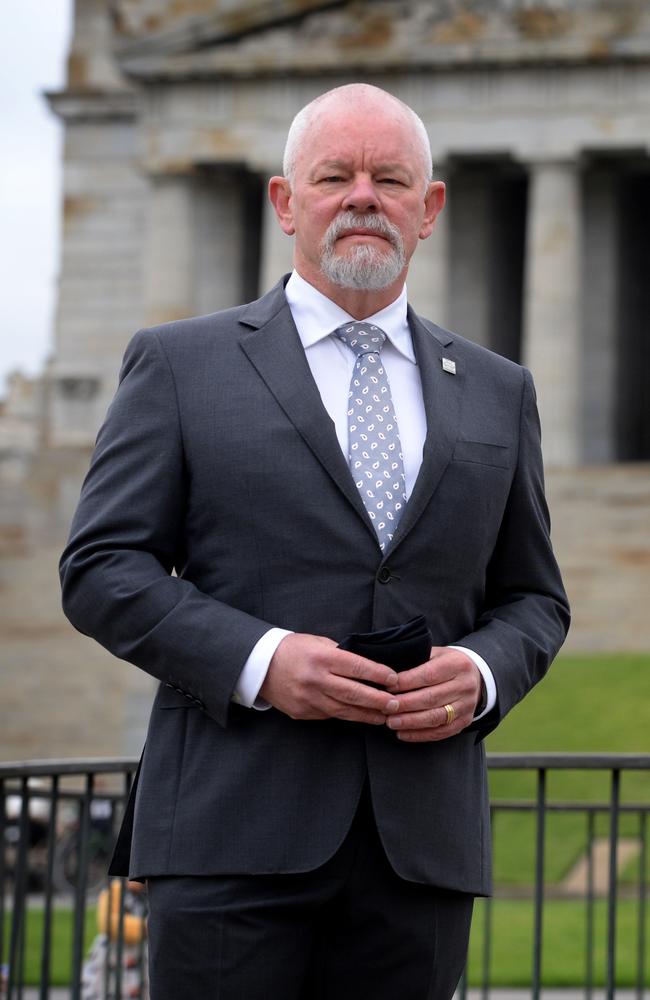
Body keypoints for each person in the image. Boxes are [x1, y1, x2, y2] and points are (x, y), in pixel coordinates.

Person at [60, 83, 570, 1000]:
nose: (363, 196)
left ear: (430, 208)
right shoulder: (180, 364)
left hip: (420, 851)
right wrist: (260, 659)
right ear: (286, 202)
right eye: (334, 175)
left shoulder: (500, 390)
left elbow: (534, 598)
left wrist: (485, 673)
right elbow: (101, 567)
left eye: (391, 178)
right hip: (229, 836)